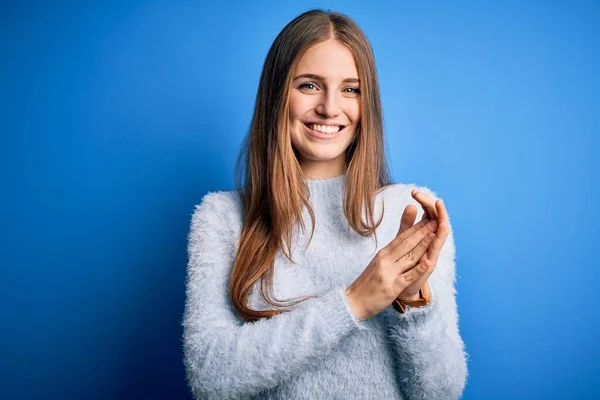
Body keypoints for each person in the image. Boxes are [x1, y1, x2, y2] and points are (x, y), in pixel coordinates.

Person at [182, 9, 468, 400]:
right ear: (277, 94)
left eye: (351, 89)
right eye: (310, 86)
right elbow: (210, 378)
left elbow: (441, 393)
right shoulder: (221, 218)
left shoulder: (410, 212)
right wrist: (353, 302)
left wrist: (414, 300)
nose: (331, 108)